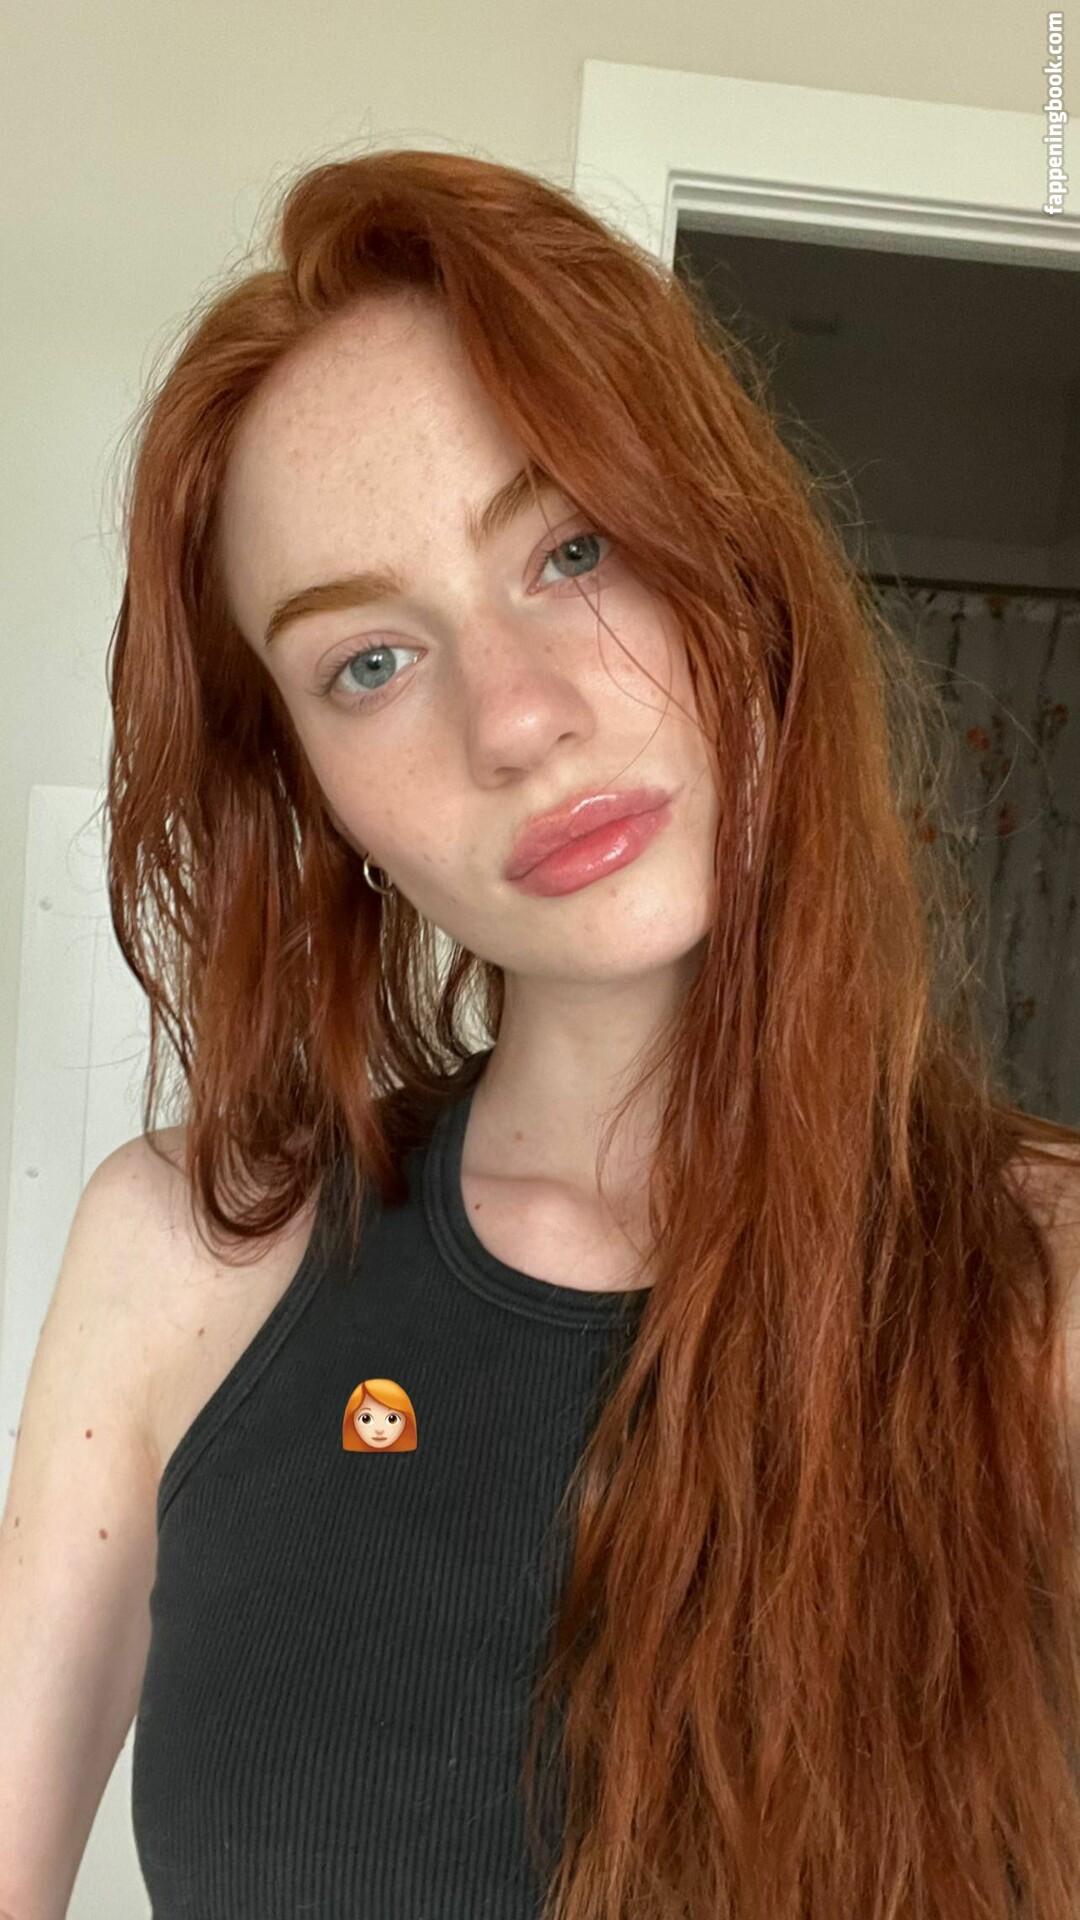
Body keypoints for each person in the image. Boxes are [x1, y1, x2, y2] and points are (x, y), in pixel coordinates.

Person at [3, 145, 1080, 1920]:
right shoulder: (184, 1264)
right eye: (368, 662)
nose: (515, 718)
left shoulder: (1043, 1293)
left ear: (732, 561)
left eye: (572, 548)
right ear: (312, 787)